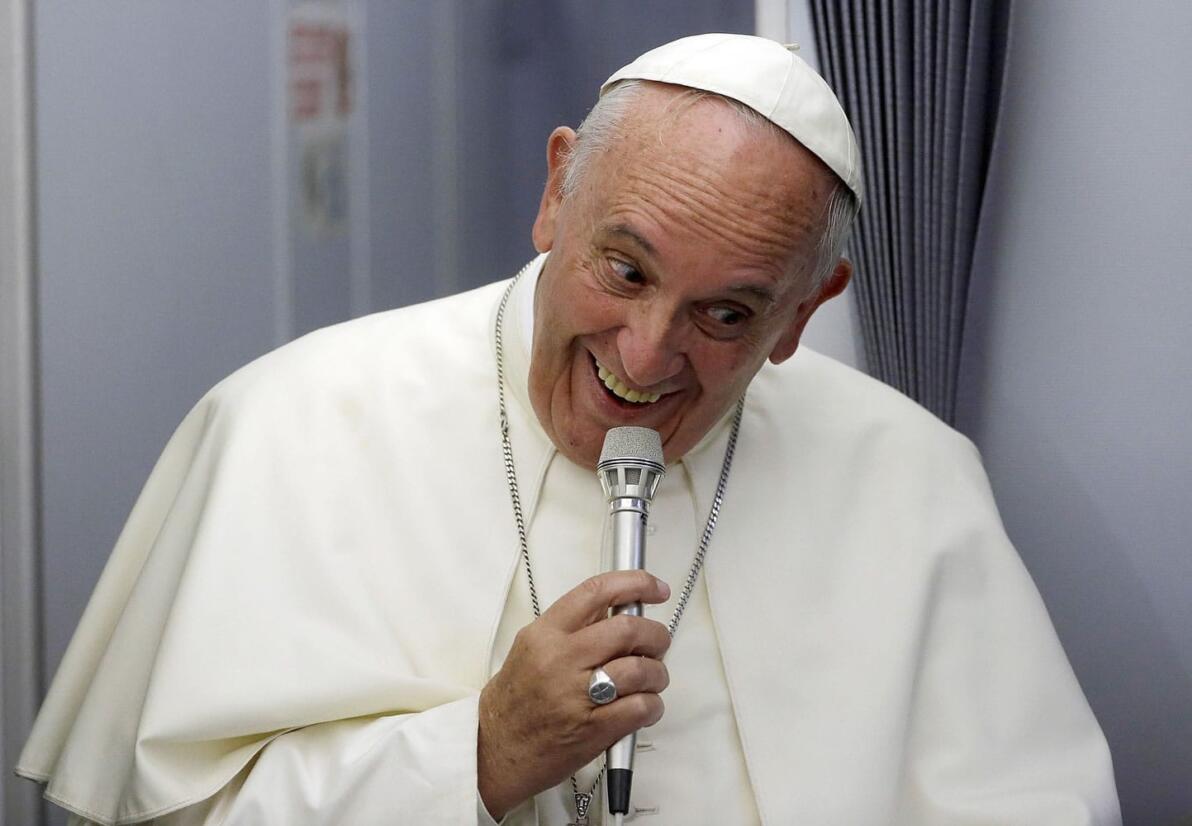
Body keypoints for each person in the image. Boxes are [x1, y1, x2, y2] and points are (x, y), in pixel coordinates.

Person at [18, 34, 1121, 825]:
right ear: (556, 195)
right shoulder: (291, 421)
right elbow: (170, 813)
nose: (643, 357)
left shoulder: (909, 479)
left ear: (804, 314)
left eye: (726, 314)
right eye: (623, 268)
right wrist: (482, 754)